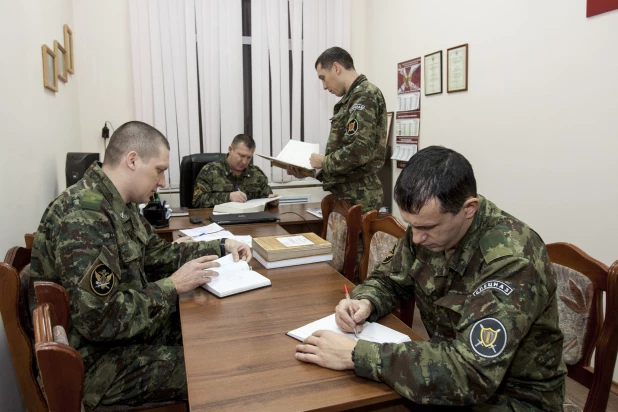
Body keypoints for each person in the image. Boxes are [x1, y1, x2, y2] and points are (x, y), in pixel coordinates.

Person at [295, 146, 567, 411]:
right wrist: (366, 301)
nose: (415, 238)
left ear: (469, 208)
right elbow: (390, 279)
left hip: (510, 397)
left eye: (427, 227)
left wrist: (356, 355)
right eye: (412, 225)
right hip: (444, 373)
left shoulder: (510, 261)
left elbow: (471, 373)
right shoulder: (428, 233)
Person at [30, 121, 252, 409]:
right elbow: (101, 319)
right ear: (132, 160)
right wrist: (173, 285)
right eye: (159, 170)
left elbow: (156, 254)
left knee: (216, 329)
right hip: (97, 360)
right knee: (213, 367)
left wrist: (221, 246)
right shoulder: (83, 217)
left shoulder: (120, 205)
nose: (162, 182)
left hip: (121, 336)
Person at [287, 47, 387, 213]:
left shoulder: (364, 95)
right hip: (348, 194)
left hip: (360, 196)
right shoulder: (351, 98)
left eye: (323, 78)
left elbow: (358, 151)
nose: (324, 86)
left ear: (336, 68)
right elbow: (347, 160)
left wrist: (324, 162)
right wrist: (310, 171)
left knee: (355, 241)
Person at [192, 134, 279, 208]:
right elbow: (198, 201)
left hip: (250, 222)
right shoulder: (210, 171)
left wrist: (272, 201)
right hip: (219, 223)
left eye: (249, 157)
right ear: (230, 150)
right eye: (241, 155)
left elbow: (266, 199)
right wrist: (228, 197)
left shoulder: (256, 174)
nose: (244, 161)